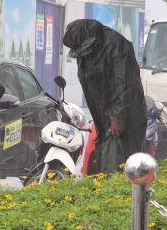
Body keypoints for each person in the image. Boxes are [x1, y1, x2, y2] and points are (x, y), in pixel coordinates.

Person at [62, 19, 147, 174]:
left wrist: (118, 116)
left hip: (125, 117)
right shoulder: (86, 52)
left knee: (118, 166)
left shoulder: (116, 45)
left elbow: (126, 84)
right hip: (105, 118)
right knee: (107, 164)